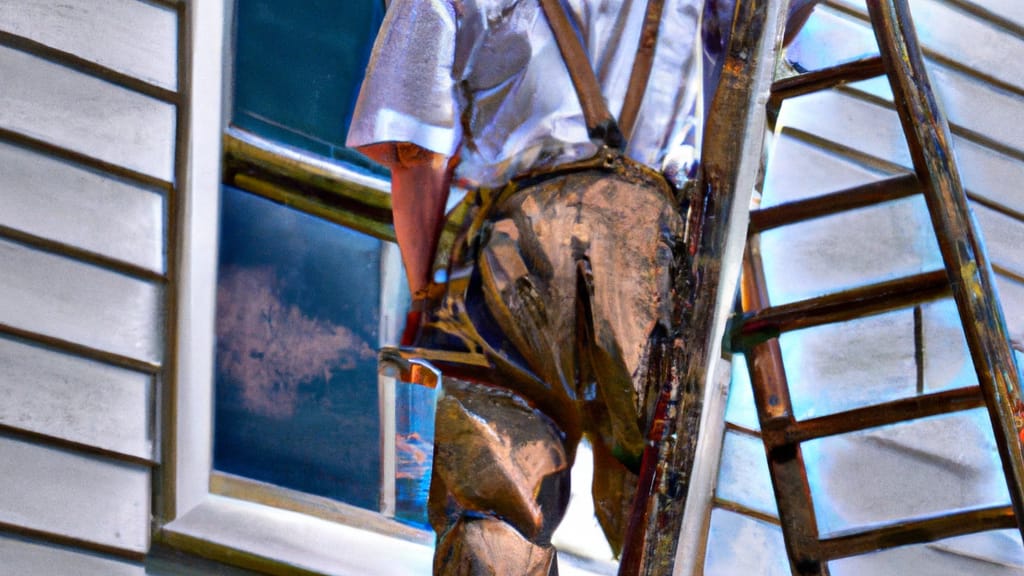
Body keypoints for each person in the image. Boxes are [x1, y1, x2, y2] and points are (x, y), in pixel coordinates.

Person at [348, 0, 813, 572]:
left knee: (495, 495)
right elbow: (764, 31)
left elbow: (417, 157)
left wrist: (428, 297)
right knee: (653, 503)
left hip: (515, 244)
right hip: (652, 246)